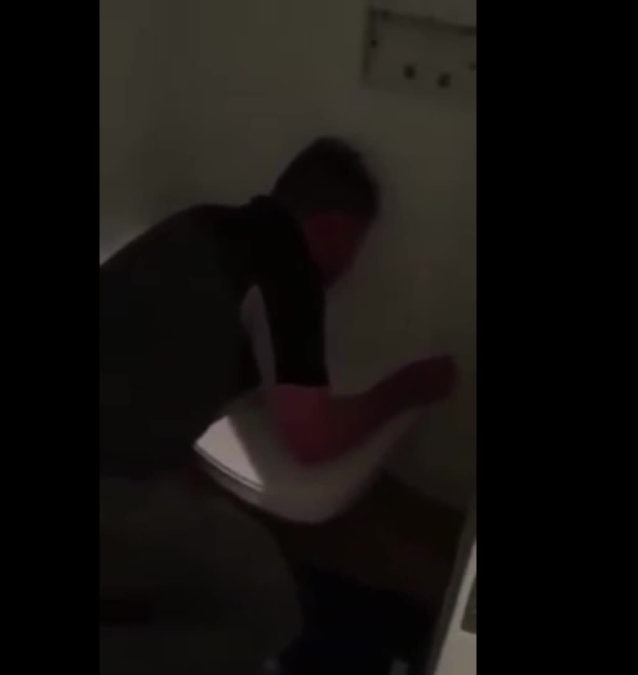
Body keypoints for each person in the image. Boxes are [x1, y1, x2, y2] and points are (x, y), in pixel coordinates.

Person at [98, 137, 456, 674]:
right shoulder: (288, 262)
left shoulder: (200, 222)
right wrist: (406, 387)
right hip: (111, 485)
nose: (347, 270)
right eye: (354, 248)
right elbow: (312, 440)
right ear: (331, 226)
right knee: (269, 605)